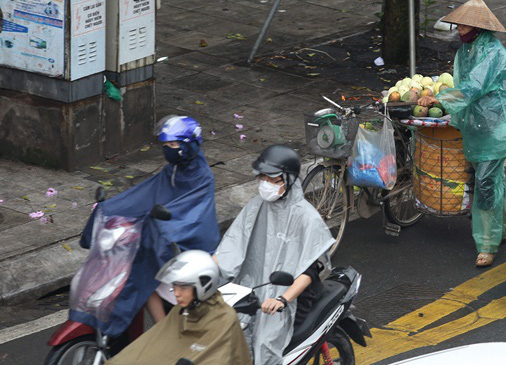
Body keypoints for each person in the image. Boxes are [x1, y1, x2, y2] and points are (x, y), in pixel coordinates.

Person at [72, 115, 219, 337]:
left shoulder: (202, 177)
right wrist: (110, 209)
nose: (168, 150)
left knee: (146, 274)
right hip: (161, 235)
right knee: (136, 269)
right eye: (166, 145)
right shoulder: (172, 170)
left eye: (173, 145)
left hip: (188, 244)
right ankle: (162, 331)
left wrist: (159, 222)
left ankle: (169, 334)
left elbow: (190, 213)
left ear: (189, 145)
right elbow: (144, 194)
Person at [417, 0, 506, 268]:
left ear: (478, 28)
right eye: (459, 27)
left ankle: (486, 244)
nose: (460, 31)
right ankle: (503, 229)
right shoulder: (465, 52)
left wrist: (440, 100)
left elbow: (473, 87)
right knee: (492, 178)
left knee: (486, 182)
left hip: (497, 125)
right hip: (479, 124)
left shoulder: (492, 52)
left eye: (465, 27)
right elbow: (463, 82)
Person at [214, 144, 335, 365]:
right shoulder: (256, 206)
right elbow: (231, 245)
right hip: (253, 288)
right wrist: (202, 274)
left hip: (290, 295)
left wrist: (282, 299)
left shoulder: (306, 217)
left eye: (273, 179)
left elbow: (311, 269)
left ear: (288, 180)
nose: (266, 185)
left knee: (264, 344)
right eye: (263, 178)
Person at [107, 250, 251, 365]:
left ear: (203, 284)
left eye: (183, 287)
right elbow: (152, 344)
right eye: (174, 286)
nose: (176, 293)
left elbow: (218, 358)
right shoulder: (182, 311)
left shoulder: (224, 317)